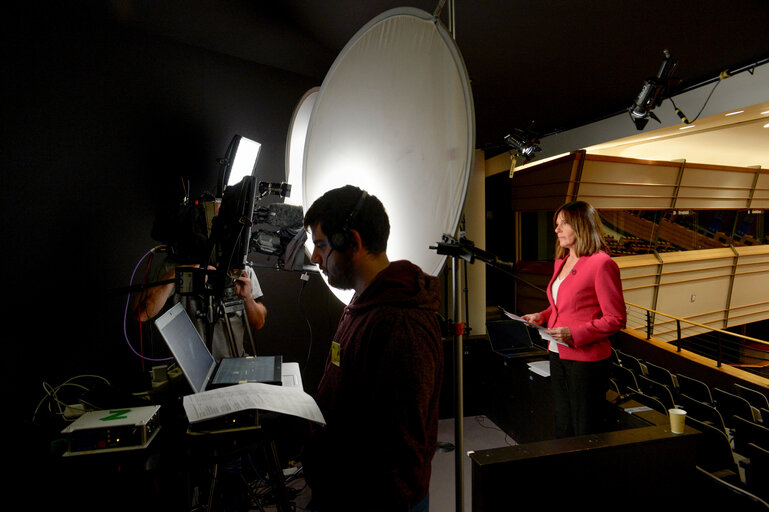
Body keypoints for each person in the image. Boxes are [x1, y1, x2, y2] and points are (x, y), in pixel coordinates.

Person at [301, 185, 442, 512]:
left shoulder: (400, 325)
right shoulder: (365, 302)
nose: (314, 257)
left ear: (352, 242)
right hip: (346, 490)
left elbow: (398, 455)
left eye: (321, 245)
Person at [522, 200, 626, 438]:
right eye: (556, 224)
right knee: (563, 423)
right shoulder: (562, 260)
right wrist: (542, 315)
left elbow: (616, 318)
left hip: (586, 361)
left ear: (581, 225)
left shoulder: (602, 264)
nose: (556, 230)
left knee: (584, 428)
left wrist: (574, 333)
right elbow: (561, 305)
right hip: (557, 352)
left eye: (563, 224)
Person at [132, 256, 267, 359]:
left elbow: (258, 322)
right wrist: (176, 275)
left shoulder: (242, 270)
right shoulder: (172, 267)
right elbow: (142, 314)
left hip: (233, 363)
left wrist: (248, 298)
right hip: (190, 373)